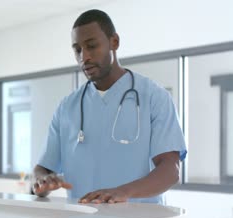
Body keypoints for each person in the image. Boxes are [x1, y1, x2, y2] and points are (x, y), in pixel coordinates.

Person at [32, 9, 187, 204]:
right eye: (77, 49)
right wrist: (41, 181)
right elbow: (43, 168)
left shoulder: (154, 97)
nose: (84, 57)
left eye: (92, 46)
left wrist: (124, 192)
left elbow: (170, 170)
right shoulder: (67, 107)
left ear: (114, 42)